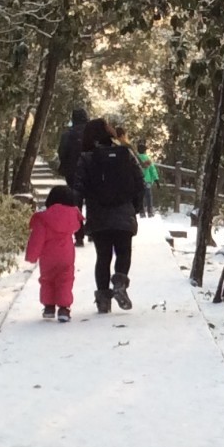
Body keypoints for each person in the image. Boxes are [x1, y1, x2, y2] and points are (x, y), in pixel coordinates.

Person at [78, 115, 145, 313]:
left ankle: (103, 301)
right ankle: (119, 282)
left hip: (99, 214)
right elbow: (140, 181)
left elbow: (78, 188)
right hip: (124, 211)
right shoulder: (126, 153)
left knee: (103, 256)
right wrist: (136, 207)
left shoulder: (87, 158)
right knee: (124, 251)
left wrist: (77, 214)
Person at [24, 184, 82, 322]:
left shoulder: (43, 219)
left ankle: (49, 307)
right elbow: (79, 226)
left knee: (47, 280)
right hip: (66, 254)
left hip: (48, 256)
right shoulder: (72, 216)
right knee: (65, 280)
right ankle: (64, 308)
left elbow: (37, 239)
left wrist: (32, 256)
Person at [54, 107, 90, 247]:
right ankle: (92, 232)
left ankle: (79, 236)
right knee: (93, 201)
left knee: (76, 204)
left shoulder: (67, 134)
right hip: (91, 172)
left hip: (72, 172)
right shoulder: (92, 132)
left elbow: (61, 152)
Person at [138, 146, 160, 217]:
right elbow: (152, 170)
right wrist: (156, 180)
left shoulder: (136, 158)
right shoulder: (148, 158)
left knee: (141, 197)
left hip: (138, 180)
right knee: (149, 196)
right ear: (144, 151)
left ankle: (142, 212)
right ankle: (150, 212)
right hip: (147, 180)